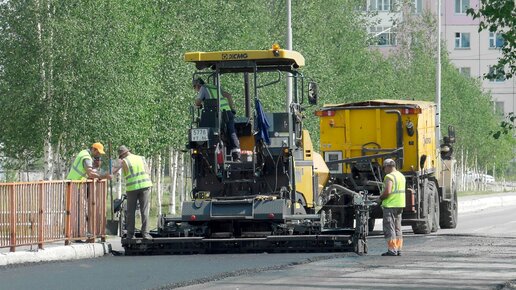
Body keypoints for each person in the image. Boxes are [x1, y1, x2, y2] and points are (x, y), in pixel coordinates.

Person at [193, 77, 241, 161]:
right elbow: (229, 95)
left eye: (195, 87)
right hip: (228, 112)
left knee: (212, 132)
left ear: (198, 85)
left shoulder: (203, 88)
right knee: (231, 132)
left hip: (216, 115)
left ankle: (215, 153)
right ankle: (236, 155)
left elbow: (197, 102)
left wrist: (198, 105)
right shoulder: (215, 87)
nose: (195, 89)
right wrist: (231, 108)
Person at [113, 145, 153, 240]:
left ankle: (130, 235)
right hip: (145, 186)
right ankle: (146, 234)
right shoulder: (141, 158)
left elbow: (113, 171)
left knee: (131, 212)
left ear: (122, 155)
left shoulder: (124, 161)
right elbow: (148, 171)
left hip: (132, 188)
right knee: (144, 211)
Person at [379, 158, 406, 256]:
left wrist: (380, 198)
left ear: (388, 166)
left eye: (384, 167)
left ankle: (392, 249)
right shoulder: (401, 176)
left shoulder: (389, 177)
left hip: (390, 205)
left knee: (389, 228)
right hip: (400, 205)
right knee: (398, 228)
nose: (384, 170)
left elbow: (387, 192)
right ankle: (398, 248)